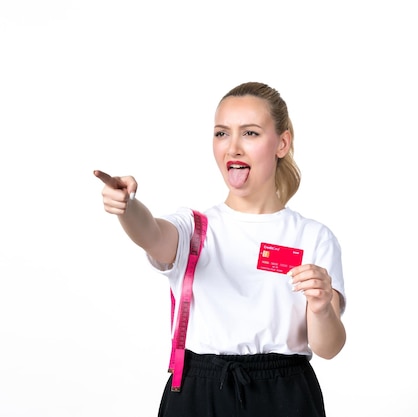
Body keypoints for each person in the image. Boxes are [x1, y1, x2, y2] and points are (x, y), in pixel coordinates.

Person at [94, 81, 346, 417]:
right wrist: (127, 205)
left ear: (282, 143)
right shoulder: (194, 227)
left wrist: (320, 307)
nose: (233, 147)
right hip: (199, 394)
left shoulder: (313, 237)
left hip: (285, 395)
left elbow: (328, 347)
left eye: (251, 133)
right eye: (222, 133)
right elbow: (151, 233)